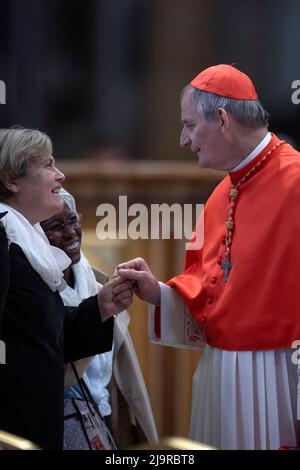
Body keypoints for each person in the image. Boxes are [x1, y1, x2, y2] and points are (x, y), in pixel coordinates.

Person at [114, 64, 300, 450]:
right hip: (221, 376)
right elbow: (213, 298)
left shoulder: (296, 181)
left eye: (189, 125)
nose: (183, 140)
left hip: (281, 379)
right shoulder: (223, 193)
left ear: (221, 119)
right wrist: (159, 293)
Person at [0, 127, 133, 449]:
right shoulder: (4, 243)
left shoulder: (29, 245)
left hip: (35, 421)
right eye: (47, 165)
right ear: (12, 180)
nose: (60, 175)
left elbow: (41, 338)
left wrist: (100, 306)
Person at [40, 190, 158, 448]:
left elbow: (118, 380)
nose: (70, 232)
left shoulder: (100, 283)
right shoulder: (31, 293)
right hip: (53, 428)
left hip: (103, 419)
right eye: (55, 227)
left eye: (72, 220)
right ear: (35, 235)